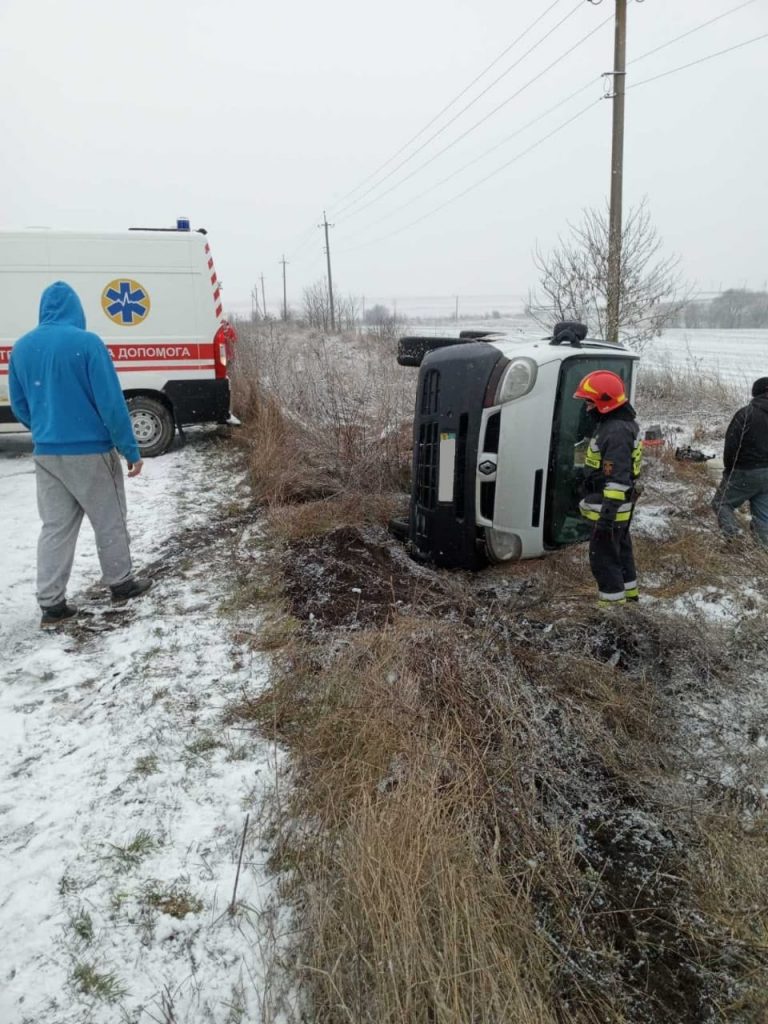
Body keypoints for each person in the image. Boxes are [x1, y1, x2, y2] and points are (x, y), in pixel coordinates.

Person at [9, 281, 152, 628]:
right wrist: (129, 448)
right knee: (109, 520)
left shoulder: (22, 349)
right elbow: (111, 403)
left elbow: (20, 405)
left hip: (47, 455)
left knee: (55, 528)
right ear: (77, 310)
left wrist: (48, 429)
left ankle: (52, 604)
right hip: (91, 453)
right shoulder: (87, 344)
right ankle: (121, 583)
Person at [573, 370, 643, 607]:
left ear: (604, 403)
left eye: (589, 402)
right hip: (618, 510)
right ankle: (630, 600)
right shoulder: (619, 425)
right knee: (621, 555)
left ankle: (612, 611)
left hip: (610, 510)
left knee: (604, 562)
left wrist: (605, 518)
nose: (586, 407)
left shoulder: (615, 431)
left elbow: (617, 480)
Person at [711, 377, 768, 547]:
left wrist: (729, 470)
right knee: (763, 514)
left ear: (755, 393)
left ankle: (734, 538)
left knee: (721, 503)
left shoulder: (746, 413)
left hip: (745, 470)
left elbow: (731, 445)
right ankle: (763, 551)